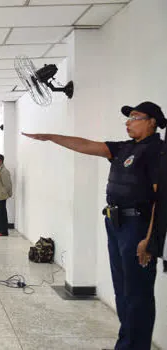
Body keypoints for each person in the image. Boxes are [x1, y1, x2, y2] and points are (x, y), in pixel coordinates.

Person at [23, 101, 166, 350]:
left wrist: (150, 240)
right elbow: (86, 145)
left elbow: (160, 199)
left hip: (137, 226)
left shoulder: (157, 152)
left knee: (137, 294)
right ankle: (126, 344)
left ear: (152, 121)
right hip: (116, 223)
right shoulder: (124, 148)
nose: (128, 122)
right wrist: (51, 137)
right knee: (122, 291)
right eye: (128, 118)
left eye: (134, 117)